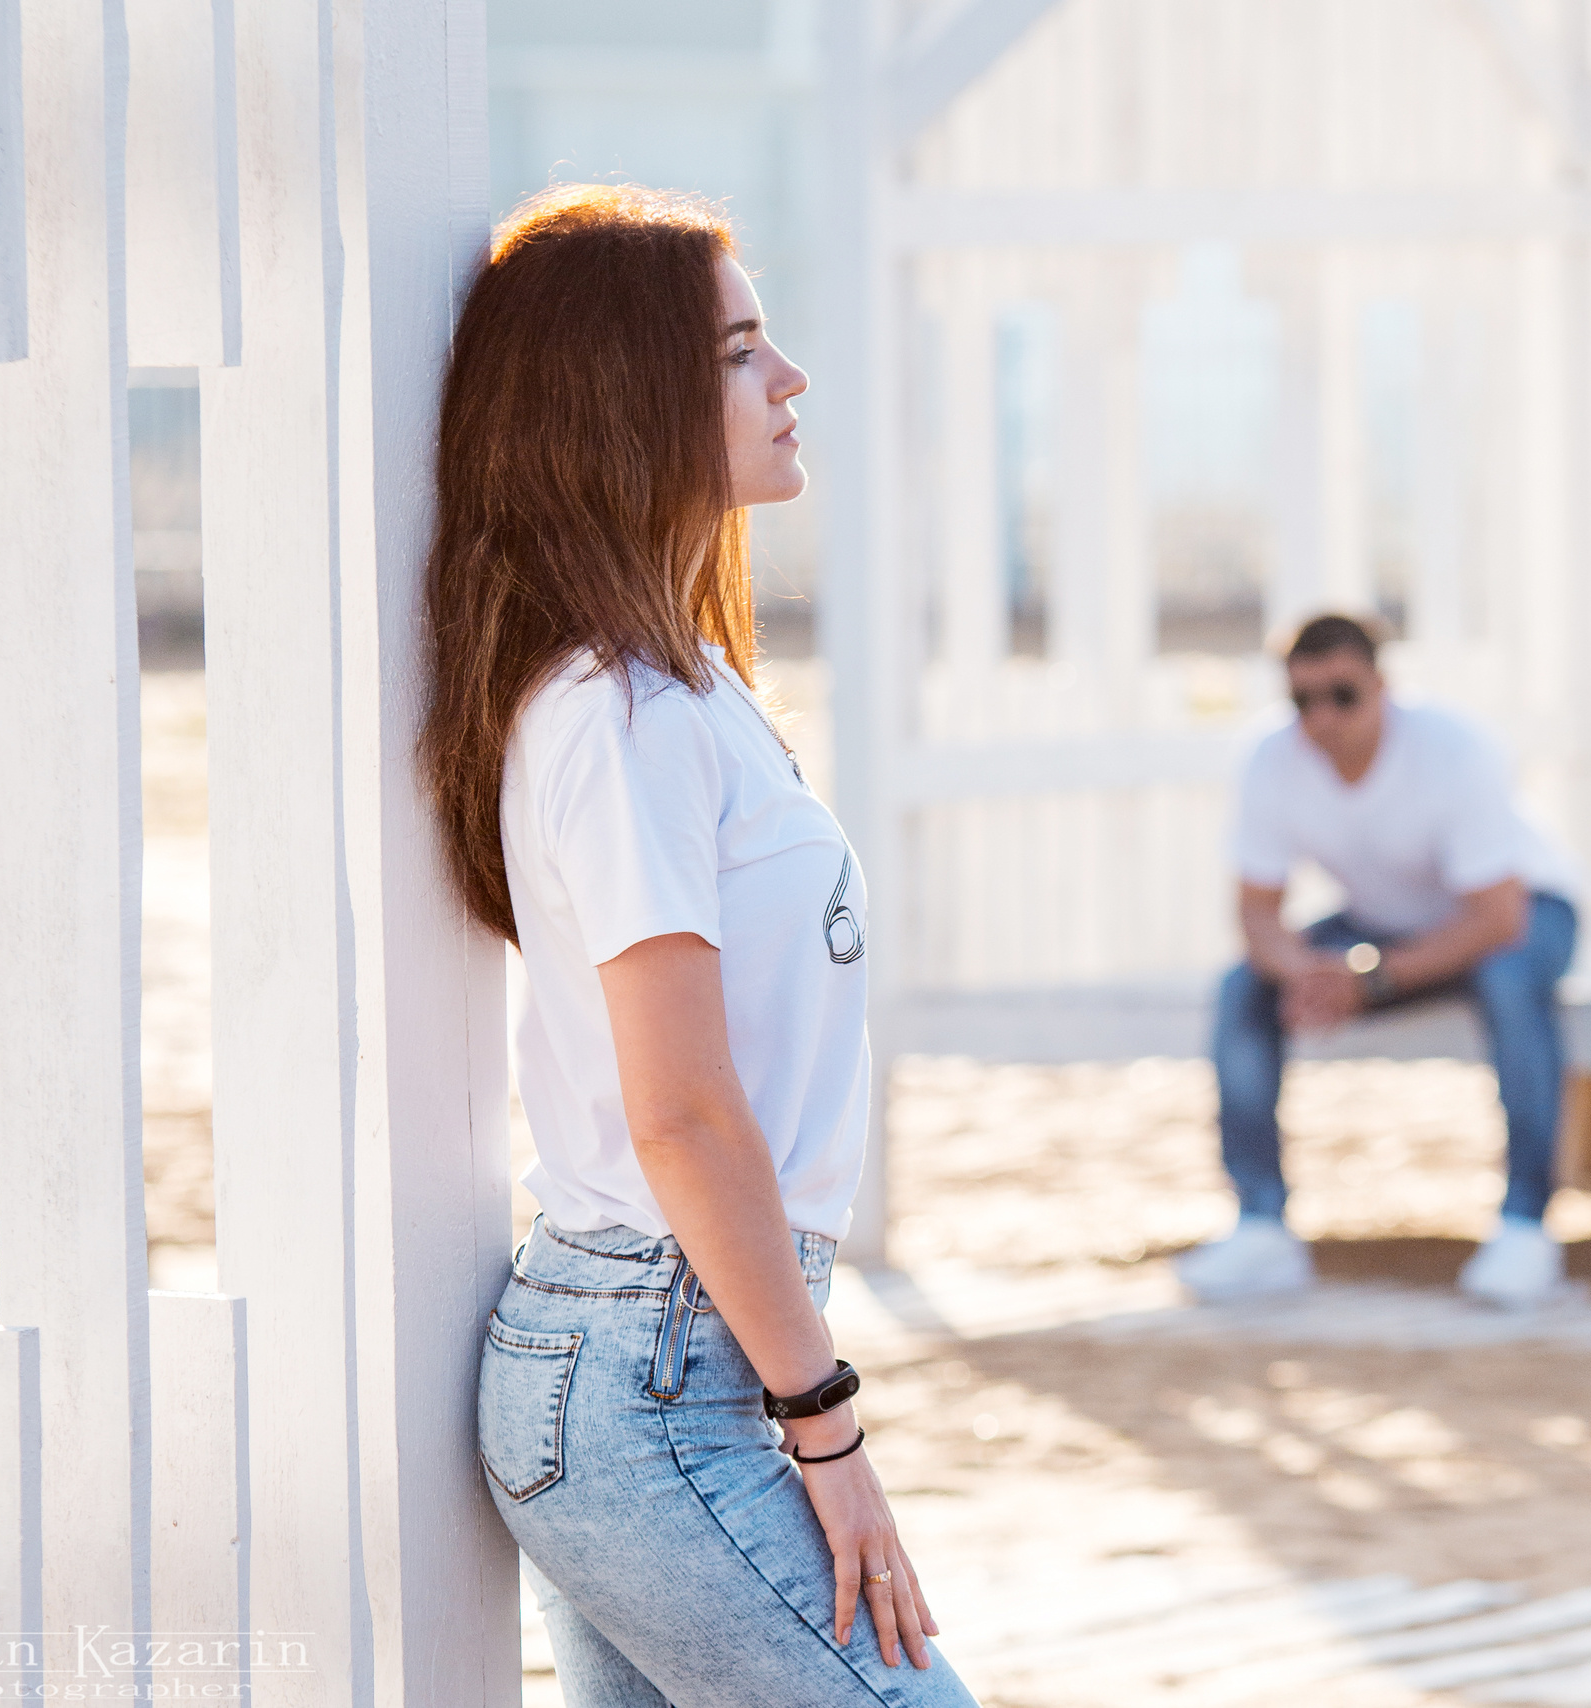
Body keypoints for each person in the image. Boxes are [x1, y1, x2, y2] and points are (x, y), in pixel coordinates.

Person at [420, 184, 978, 1707]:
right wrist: (830, 1430)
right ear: (628, 402)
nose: (789, 377)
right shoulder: (620, 716)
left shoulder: (687, 686)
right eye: (739, 351)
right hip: (657, 1377)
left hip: (668, 1358)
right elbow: (679, 1112)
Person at [1175, 612, 1585, 1309]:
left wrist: (1372, 978)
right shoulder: (1269, 760)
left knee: (1511, 980)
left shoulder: (1455, 750)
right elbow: (1255, 912)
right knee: (1243, 987)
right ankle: (1260, 1223)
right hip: (1379, 923)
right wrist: (1301, 970)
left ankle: (1525, 1226)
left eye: (1342, 694)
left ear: (1383, 686)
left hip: (1523, 911)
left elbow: (1497, 917)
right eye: (1303, 700)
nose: (1323, 717)